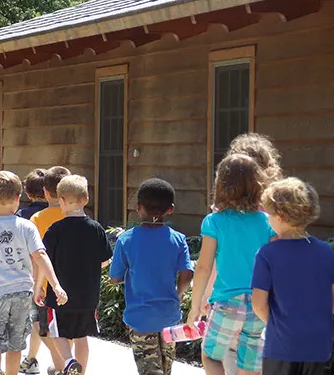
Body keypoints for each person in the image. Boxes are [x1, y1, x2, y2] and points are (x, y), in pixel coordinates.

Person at [0, 171, 68, 375]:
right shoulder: (27, 227)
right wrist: (55, 285)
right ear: (19, 197)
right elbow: (40, 256)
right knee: (16, 342)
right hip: (22, 292)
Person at [203, 132, 284, 375]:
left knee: (217, 356)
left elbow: (213, 263)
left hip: (228, 298)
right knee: (249, 362)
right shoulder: (273, 212)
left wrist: (206, 299)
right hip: (260, 300)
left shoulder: (220, 215)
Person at [109, 178, 194, 375]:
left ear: (139, 207)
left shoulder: (127, 239)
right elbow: (186, 274)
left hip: (140, 318)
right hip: (169, 315)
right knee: (166, 369)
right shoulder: (178, 239)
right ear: (170, 209)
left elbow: (115, 278)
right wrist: (178, 295)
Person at [251, 178, 334, 375]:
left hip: (282, 345)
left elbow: (258, 303)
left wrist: (277, 326)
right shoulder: (326, 251)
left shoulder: (267, 253)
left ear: (279, 217)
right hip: (318, 343)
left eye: (269, 213)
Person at [35, 175, 113, 375]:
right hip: (88, 295)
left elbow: (45, 263)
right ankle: (81, 372)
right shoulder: (96, 229)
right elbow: (105, 260)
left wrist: (39, 288)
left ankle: (69, 361)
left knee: (57, 333)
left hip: (60, 295)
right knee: (81, 336)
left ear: (61, 201)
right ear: (86, 199)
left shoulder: (56, 230)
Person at [20, 166, 71, 375]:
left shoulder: (37, 218)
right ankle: (35, 360)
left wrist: (35, 283)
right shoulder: (73, 215)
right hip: (70, 280)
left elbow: (35, 255)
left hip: (43, 282)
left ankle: (63, 363)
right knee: (58, 328)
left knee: (42, 326)